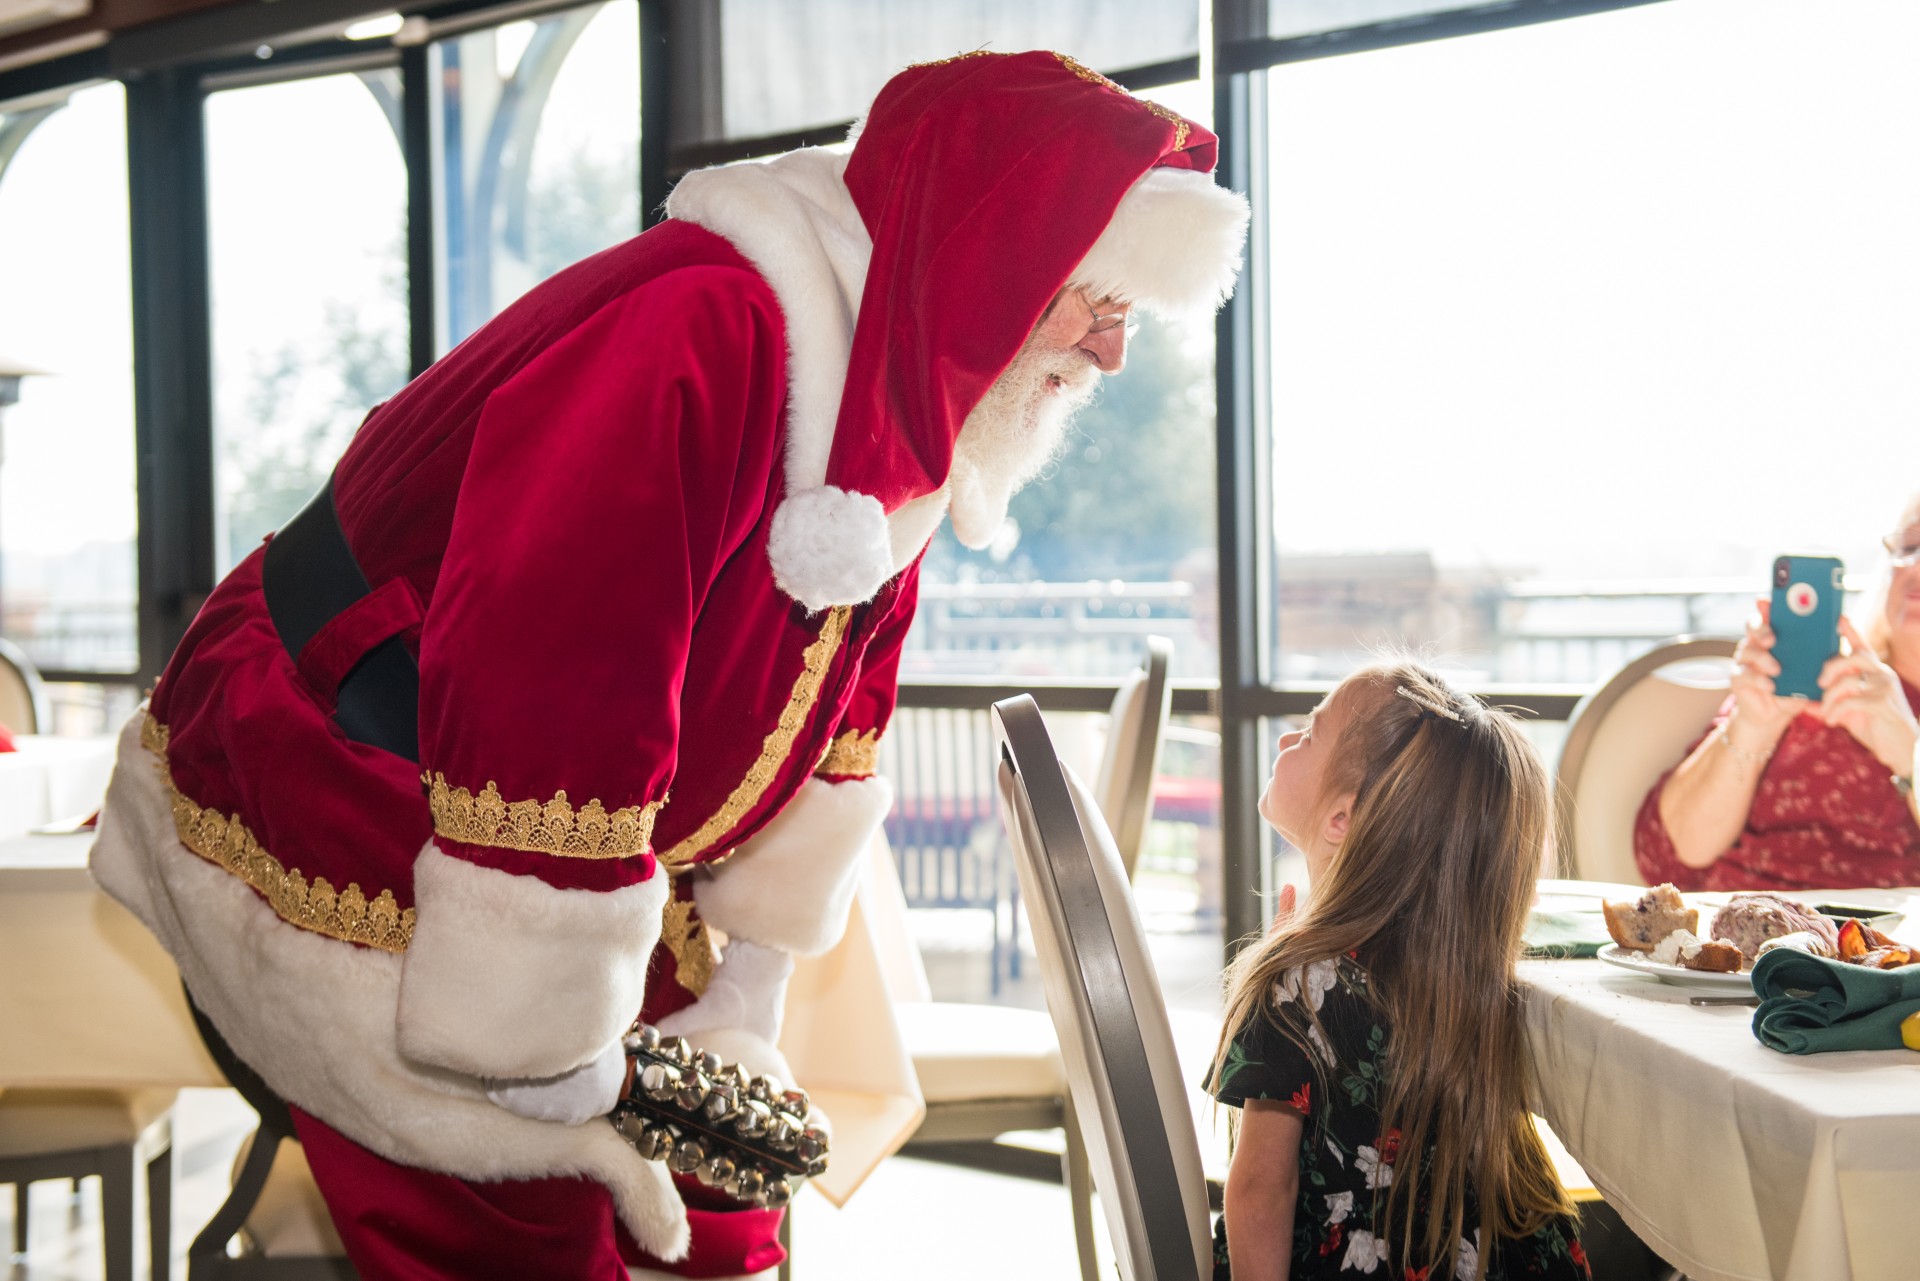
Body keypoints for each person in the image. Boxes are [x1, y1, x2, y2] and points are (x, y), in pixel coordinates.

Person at [88, 50, 1249, 1280]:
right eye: (1098, 303)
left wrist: (750, 979)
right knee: (505, 1208)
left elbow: (844, 718)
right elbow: (554, 664)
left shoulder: (908, 397)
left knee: (723, 1194)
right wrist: (535, 1036)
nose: (1112, 355)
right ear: (995, 254)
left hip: (585, 839)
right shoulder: (702, 324)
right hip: (357, 762)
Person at [1207, 662, 1588, 1281]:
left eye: (1307, 732)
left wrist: (1284, 985)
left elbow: (1259, 1192)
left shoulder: (1298, 985)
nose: (1283, 741)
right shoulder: (1463, 968)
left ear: (1343, 819)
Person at [1635, 497, 1920, 892]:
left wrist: (1910, 754)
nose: (1917, 564)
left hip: (1875, 946)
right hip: (1740, 934)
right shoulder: (1809, 674)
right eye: (1908, 546)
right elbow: (1666, 859)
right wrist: (1752, 727)